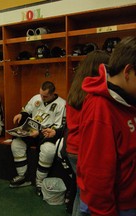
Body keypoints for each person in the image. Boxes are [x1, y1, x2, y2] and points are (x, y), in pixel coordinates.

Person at [77, 36, 136, 216]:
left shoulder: (129, 99)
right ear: (128, 72)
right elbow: (97, 176)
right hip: (116, 208)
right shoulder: (100, 109)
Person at [66, 50, 110, 215]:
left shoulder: (75, 89)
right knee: (86, 196)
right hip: (84, 150)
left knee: (80, 191)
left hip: (72, 148)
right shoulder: (94, 95)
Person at [9, 81, 66, 197]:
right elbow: (27, 110)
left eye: (45, 96)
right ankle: (22, 177)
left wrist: (40, 133)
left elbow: (59, 127)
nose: (42, 98)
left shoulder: (61, 104)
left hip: (47, 133)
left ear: (52, 93)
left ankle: (40, 182)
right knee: (16, 143)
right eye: (41, 95)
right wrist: (21, 114)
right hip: (32, 130)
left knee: (48, 150)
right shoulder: (37, 98)